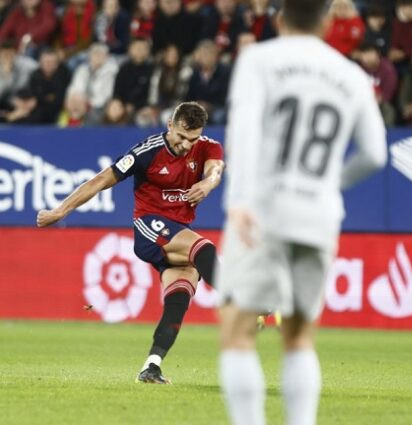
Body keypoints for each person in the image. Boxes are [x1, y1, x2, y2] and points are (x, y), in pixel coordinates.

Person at [219, 0, 388, 423]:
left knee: (238, 331)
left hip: (263, 210)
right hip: (320, 215)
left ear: (278, 20)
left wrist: (237, 199)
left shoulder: (259, 59)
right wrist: (330, 184)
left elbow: (244, 128)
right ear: (328, 22)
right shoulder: (350, 75)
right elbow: (374, 154)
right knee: (298, 337)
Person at [37, 102, 224, 384]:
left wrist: (208, 184)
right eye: (181, 137)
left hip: (176, 234)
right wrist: (60, 211)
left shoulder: (208, 147)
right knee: (204, 249)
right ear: (170, 125)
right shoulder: (147, 152)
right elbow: (100, 181)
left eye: (193, 139)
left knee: (179, 298)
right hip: (149, 228)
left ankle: (151, 366)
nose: (186, 145)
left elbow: (215, 170)